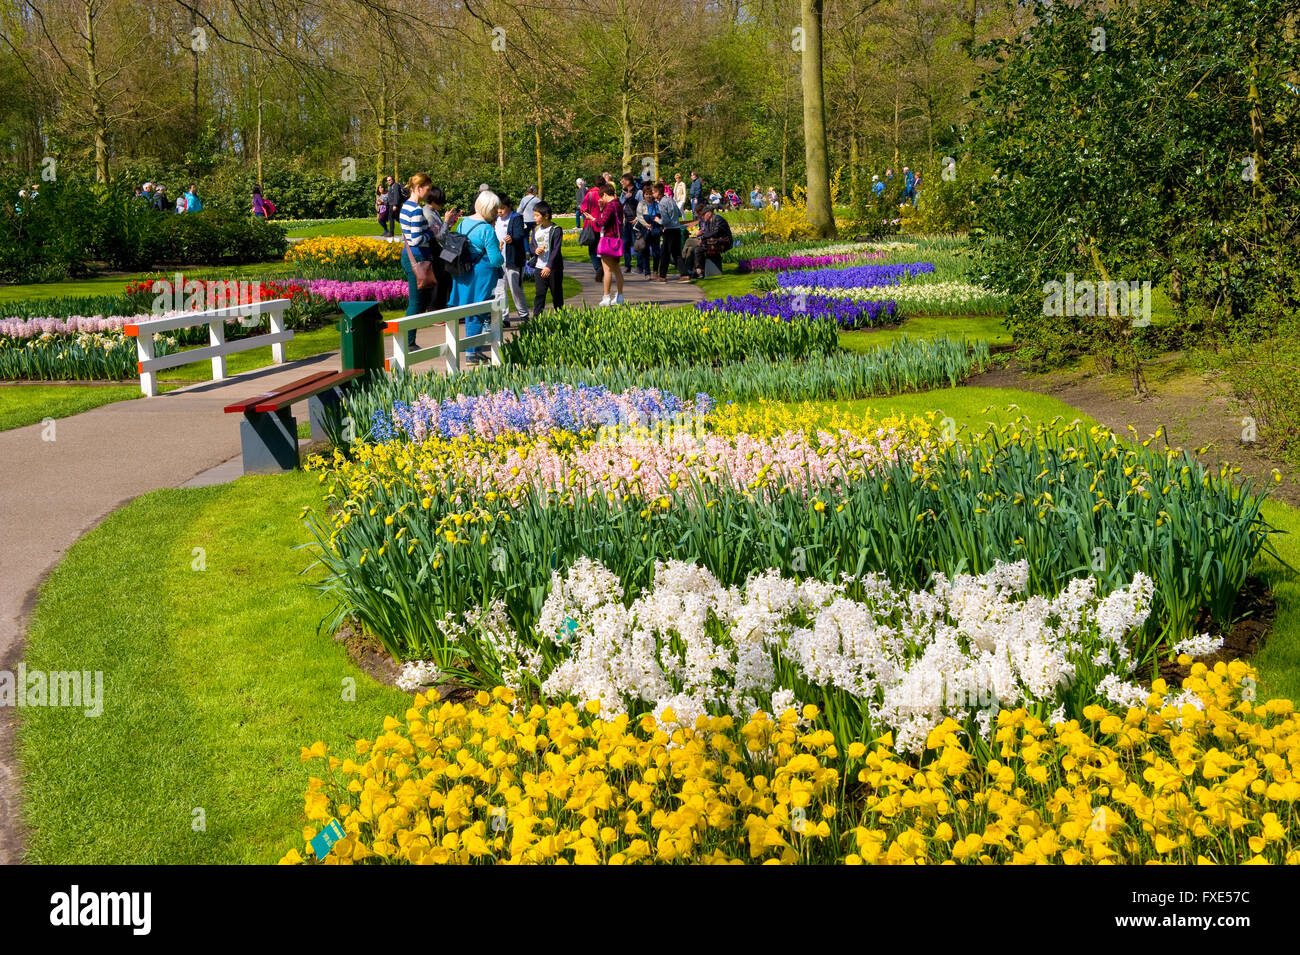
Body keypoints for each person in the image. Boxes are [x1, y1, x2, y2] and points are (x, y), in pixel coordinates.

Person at [448, 190, 505, 364]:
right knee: (477, 311)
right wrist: (501, 255)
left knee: (469, 311)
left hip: (463, 271)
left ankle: (473, 350)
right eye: (495, 209)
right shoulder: (487, 229)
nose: (496, 212)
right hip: (481, 274)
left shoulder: (464, 223)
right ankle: (472, 352)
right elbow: (495, 259)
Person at [399, 173, 439, 350]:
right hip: (417, 258)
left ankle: (410, 340)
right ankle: (408, 342)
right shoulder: (415, 210)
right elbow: (415, 239)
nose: (429, 193)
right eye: (428, 189)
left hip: (411, 257)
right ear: (418, 188)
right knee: (416, 302)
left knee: (421, 300)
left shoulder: (406, 207)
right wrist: (432, 232)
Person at [495, 194, 530, 326]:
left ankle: (524, 315)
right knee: (499, 289)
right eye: (498, 209)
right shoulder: (495, 219)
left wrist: (512, 238)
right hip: (499, 260)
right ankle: (504, 318)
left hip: (513, 260)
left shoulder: (516, 218)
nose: (500, 211)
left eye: (502, 208)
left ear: (509, 207)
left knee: (516, 289)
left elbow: (520, 233)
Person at [421, 184, 452, 315]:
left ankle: (443, 307)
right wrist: (446, 221)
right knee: (440, 279)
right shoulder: (428, 214)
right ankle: (436, 309)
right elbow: (438, 236)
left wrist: (448, 223)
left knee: (446, 278)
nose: (442, 204)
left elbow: (441, 231)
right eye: (441, 201)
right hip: (435, 251)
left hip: (440, 250)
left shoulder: (433, 211)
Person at [593, 181, 625, 306]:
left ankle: (606, 297)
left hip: (608, 240)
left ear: (606, 194)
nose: (602, 199)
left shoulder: (610, 206)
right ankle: (620, 296)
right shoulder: (618, 204)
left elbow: (602, 222)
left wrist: (593, 219)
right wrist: (602, 209)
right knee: (617, 269)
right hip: (617, 240)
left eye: (602, 196)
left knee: (607, 270)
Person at [681, 204, 732, 280]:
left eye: (703, 215)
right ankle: (693, 270)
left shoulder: (718, 219)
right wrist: (703, 238)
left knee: (697, 249)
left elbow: (716, 232)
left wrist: (703, 238)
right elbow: (707, 233)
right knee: (694, 249)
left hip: (723, 243)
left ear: (708, 214)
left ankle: (699, 271)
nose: (702, 217)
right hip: (712, 242)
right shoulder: (708, 221)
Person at [531, 201, 564, 313]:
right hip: (539, 267)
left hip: (553, 268)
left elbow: (556, 250)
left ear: (546, 216)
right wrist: (535, 250)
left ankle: (561, 318)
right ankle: (537, 321)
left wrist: (549, 266)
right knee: (539, 295)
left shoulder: (556, 229)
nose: (534, 218)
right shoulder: (535, 230)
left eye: (537, 215)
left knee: (557, 295)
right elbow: (532, 245)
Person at [653, 182, 683, 283]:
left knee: (665, 253)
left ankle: (662, 276)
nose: (653, 195)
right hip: (677, 228)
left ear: (657, 192)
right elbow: (679, 213)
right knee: (676, 253)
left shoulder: (661, 203)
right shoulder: (671, 200)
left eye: (653, 192)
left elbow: (665, 220)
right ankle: (685, 274)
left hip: (669, 230)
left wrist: (658, 220)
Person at [579, 176, 604, 279]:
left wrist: (588, 215)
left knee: (592, 249)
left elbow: (582, 209)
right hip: (603, 225)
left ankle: (598, 268)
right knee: (603, 249)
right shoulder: (605, 194)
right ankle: (603, 267)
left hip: (591, 225)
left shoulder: (590, 194)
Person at [633, 184, 660, 278]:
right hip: (645, 230)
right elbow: (639, 216)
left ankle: (656, 270)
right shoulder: (641, 204)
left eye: (650, 194)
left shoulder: (656, 204)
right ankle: (647, 272)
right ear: (644, 195)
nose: (648, 196)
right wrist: (646, 224)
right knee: (645, 252)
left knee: (657, 252)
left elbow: (659, 215)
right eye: (646, 194)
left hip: (655, 229)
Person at [619, 174, 639, 272]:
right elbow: (619, 204)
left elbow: (642, 206)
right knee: (625, 244)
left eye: (623, 181)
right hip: (625, 221)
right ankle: (627, 265)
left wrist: (637, 218)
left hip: (635, 222)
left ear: (628, 181)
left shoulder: (637, 192)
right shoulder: (623, 193)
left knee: (637, 244)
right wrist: (625, 198)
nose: (621, 183)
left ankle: (640, 266)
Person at [517, 185, 540, 254]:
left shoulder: (524, 199)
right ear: (535, 191)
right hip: (535, 220)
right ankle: (535, 250)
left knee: (525, 237)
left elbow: (519, 211)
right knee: (535, 236)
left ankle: (527, 251)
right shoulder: (537, 200)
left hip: (525, 221)